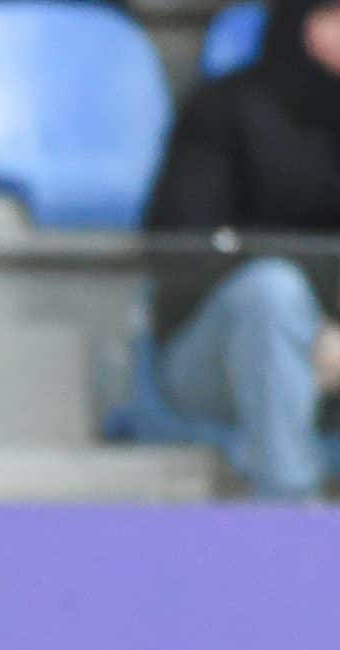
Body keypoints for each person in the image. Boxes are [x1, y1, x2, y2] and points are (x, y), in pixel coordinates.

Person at [143, 0, 340, 501]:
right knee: (272, 293)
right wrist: (312, 332)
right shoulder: (226, 108)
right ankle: (290, 506)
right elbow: (181, 247)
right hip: (215, 355)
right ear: (309, 23)